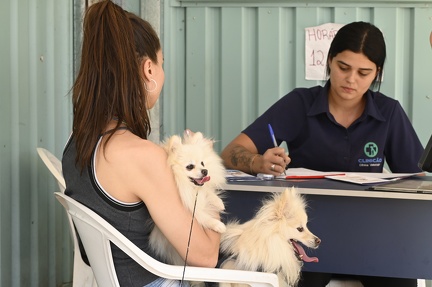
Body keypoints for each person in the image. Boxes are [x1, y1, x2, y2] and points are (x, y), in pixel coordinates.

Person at [220, 21, 423, 287]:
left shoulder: (389, 113)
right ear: (329, 62)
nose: (351, 80)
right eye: (343, 67)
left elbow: (418, 180)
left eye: (364, 72)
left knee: (401, 279)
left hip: (373, 235)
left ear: (377, 73)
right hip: (307, 234)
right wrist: (259, 161)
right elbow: (230, 152)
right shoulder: (299, 104)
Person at [62, 1, 221, 286]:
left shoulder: (76, 144)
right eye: (162, 64)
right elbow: (205, 255)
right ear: (149, 70)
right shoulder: (141, 156)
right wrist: (208, 180)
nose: (162, 73)